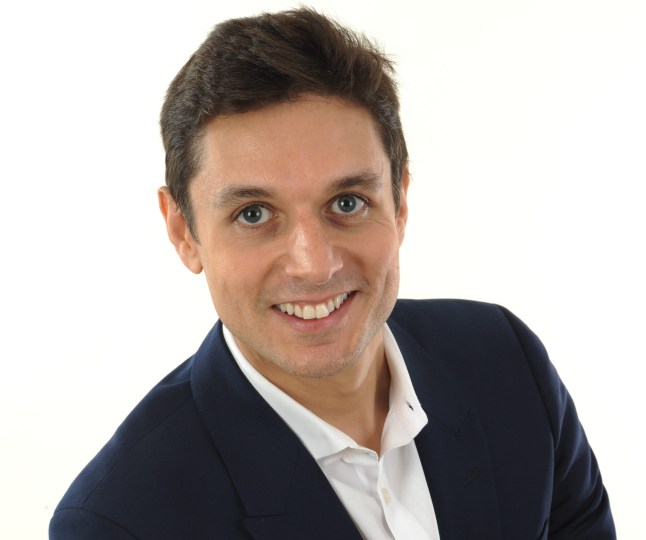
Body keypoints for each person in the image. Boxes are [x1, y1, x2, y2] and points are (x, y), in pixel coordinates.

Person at [49, 8, 615, 539]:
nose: (315, 264)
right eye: (253, 214)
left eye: (347, 202)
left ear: (400, 202)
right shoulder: (118, 521)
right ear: (183, 230)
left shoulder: (507, 362)